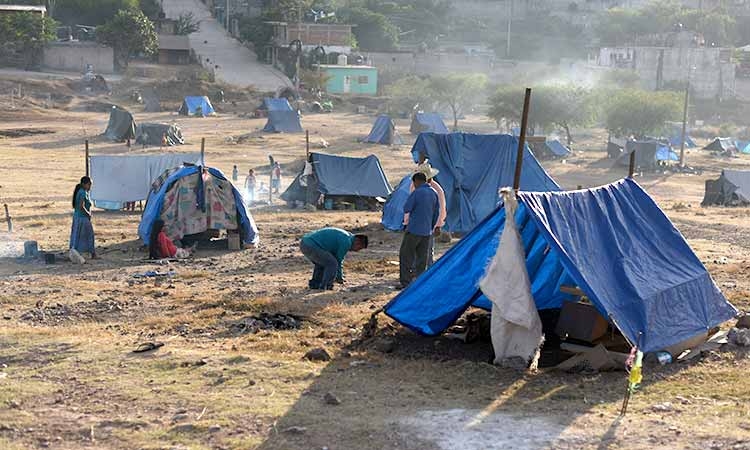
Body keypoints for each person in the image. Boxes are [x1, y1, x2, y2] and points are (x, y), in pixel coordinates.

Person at [399, 172, 439, 288]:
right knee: (422, 259)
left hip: (414, 231)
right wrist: (431, 227)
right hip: (427, 232)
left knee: (406, 256)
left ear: (416, 181)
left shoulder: (417, 193)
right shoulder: (434, 193)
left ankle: (406, 283)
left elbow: (407, 208)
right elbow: (436, 213)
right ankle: (419, 283)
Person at [404, 161, 446, 266]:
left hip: (420, 227)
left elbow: (408, 208)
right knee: (423, 252)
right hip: (426, 227)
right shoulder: (435, 190)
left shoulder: (435, 190)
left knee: (422, 252)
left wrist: (437, 225)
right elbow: (439, 210)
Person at [300, 227, 368, 290]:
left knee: (323, 263)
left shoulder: (347, 236)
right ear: (358, 242)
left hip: (305, 242)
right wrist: (340, 278)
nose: (357, 251)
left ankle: (315, 285)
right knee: (332, 263)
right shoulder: (346, 242)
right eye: (359, 248)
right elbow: (338, 261)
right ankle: (326, 286)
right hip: (311, 245)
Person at [70, 176, 97, 259]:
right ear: (84, 184)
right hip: (82, 218)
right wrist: (88, 213)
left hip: (78, 217)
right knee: (88, 235)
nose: (89, 187)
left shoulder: (82, 191)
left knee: (78, 235)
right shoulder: (82, 192)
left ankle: (78, 252)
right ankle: (91, 253)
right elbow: (81, 206)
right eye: (89, 185)